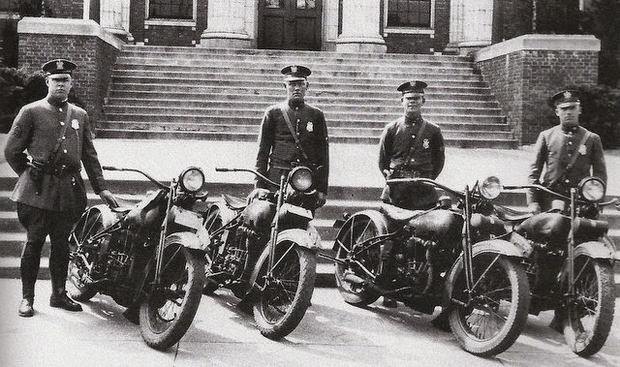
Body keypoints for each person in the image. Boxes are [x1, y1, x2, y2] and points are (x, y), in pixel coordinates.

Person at [4, 58, 118, 317]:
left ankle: (58, 294)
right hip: (37, 191)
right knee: (33, 244)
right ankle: (27, 299)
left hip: (69, 191)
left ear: (71, 83)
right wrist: (29, 173)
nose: (60, 85)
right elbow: (11, 150)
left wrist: (102, 188)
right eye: (55, 80)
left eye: (65, 80)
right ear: (47, 82)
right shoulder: (31, 111)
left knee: (62, 245)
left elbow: (89, 155)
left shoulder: (79, 115)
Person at [376, 80, 446, 307]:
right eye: (408, 99)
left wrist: (422, 179)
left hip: (423, 195)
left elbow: (438, 163)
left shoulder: (433, 131)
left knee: (425, 241)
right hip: (397, 195)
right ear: (402, 101)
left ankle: (421, 288)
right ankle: (386, 289)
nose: (412, 103)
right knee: (390, 241)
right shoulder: (392, 128)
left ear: (423, 101)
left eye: (416, 99)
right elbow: (382, 161)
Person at [249, 64, 329, 209]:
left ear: (307, 86)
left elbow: (323, 155)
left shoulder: (316, 115)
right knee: (272, 220)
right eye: (292, 84)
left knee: (303, 222)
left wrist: (322, 189)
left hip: (305, 180)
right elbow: (262, 152)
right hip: (277, 179)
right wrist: (259, 185)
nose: (296, 88)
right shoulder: (273, 113)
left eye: (300, 84)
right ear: (284, 86)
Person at [527, 89, 607, 213]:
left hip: (582, 200)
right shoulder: (546, 136)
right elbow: (534, 172)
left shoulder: (592, 138)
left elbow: (600, 174)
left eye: (573, 108)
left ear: (579, 110)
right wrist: (533, 202)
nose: (568, 112)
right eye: (564, 109)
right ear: (557, 112)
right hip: (552, 196)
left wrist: (597, 201)